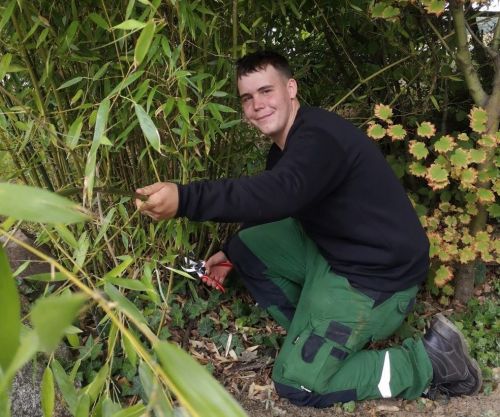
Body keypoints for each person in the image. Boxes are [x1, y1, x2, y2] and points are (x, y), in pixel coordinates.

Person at [136, 51, 482, 407]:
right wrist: (230, 251)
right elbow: (277, 196)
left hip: (377, 280)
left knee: (299, 385)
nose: (257, 105)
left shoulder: (318, 137)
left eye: (266, 91)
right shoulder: (285, 148)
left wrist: (186, 198)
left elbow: (281, 191)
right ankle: (317, 336)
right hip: (337, 253)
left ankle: (430, 362)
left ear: (290, 89)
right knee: (244, 245)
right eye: (247, 98)